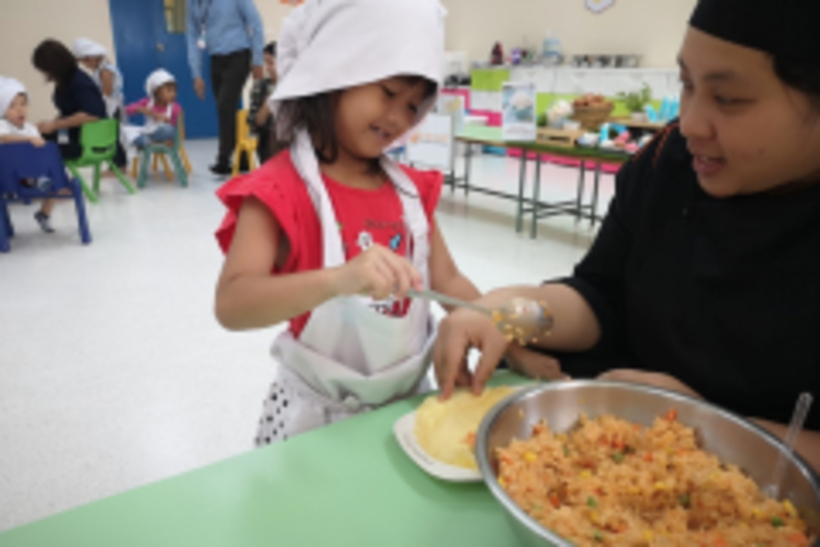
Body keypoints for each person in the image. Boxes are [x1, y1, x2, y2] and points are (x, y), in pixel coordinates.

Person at [433, 0, 820, 471]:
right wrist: (513, 312)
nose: (690, 123)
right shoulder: (669, 163)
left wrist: (704, 427)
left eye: (727, 99)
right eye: (686, 84)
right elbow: (601, 294)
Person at [213, 0, 485, 446]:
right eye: (388, 92)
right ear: (334, 68)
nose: (399, 118)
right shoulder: (280, 190)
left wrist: (499, 329)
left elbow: (449, 280)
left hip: (405, 412)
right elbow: (232, 303)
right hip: (314, 425)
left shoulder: (411, 192)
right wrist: (337, 280)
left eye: (413, 105)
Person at [31, 39, 107, 231]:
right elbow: (69, 113)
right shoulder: (66, 81)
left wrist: (55, 124)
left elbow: (93, 114)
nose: (44, 74)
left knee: (45, 148)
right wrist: (51, 125)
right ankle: (48, 197)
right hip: (73, 136)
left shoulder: (78, 82)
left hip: (85, 141)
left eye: (45, 69)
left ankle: (53, 191)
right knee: (36, 139)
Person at [186, 0, 265, 177]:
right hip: (216, 59)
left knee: (225, 105)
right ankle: (242, 159)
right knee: (225, 110)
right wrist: (196, 74)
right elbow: (193, 36)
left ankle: (223, 159)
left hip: (239, 55)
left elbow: (256, 24)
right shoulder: (192, 4)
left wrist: (258, 60)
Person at [0, 78, 57, 233]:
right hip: (9, 179)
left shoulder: (31, 128)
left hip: (29, 178)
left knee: (54, 183)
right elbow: (3, 138)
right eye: (12, 106)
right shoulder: (2, 125)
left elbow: (40, 150)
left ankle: (43, 214)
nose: (20, 110)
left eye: (23, 104)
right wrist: (28, 140)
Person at [71, 38, 127, 170]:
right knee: (112, 137)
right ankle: (117, 164)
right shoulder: (101, 69)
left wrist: (97, 107)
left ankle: (120, 165)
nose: (85, 66)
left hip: (111, 107)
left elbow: (107, 92)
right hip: (110, 106)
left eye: (85, 62)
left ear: (92, 58)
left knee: (112, 137)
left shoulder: (105, 71)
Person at [123, 69, 182, 150]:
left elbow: (177, 128)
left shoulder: (175, 107)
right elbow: (126, 110)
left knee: (168, 129)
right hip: (148, 132)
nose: (173, 94)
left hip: (162, 134)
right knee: (123, 130)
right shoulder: (147, 102)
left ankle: (146, 142)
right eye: (169, 90)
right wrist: (140, 109)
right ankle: (152, 142)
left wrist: (168, 121)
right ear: (156, 91)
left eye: (174, 91)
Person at [247, 41, 277, 164]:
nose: (267, 68)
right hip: (268, 144)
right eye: (266, 63)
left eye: (271, 62)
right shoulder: (260, 88)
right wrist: (270, 100)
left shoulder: (296, 88)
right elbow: (256, 123)